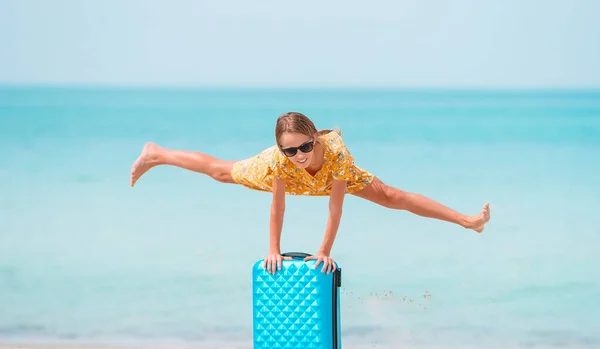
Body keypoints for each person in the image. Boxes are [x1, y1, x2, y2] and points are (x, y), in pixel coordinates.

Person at [130, 112, 490, 274]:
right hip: (286, 179)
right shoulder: (281, 162)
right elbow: (278, 207)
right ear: (281, 149)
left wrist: (323, 252)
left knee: (392, 197)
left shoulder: (335, 155)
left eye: (303, 147)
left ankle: (467, 221)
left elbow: (336, 208)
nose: (299, 155)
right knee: (221, 173)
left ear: (314, 138)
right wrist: (273, 249)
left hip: (332, 178)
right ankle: (157, 153)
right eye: (290, 150)